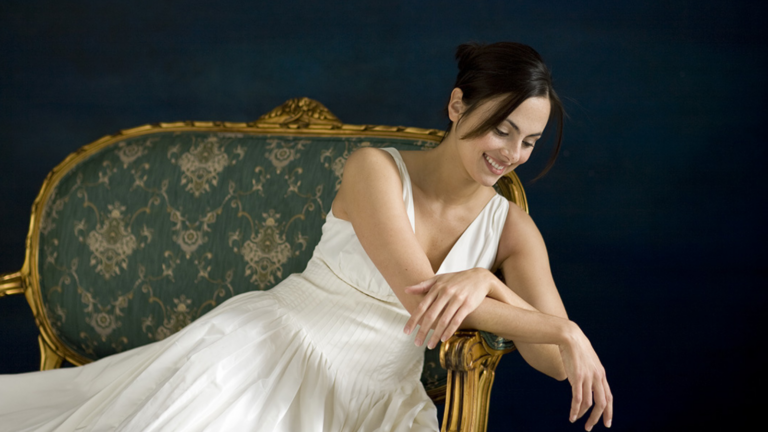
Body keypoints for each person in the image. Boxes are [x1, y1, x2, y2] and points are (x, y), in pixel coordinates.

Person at [0, 41, 612, 432]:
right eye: (500, 130)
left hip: (376, 394)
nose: (511, 154)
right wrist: (563, 325)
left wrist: (490, 284)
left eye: (528, 142)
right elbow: (424, 302)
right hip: (270, 351)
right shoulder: (374, 168)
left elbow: (553, 366)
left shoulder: (512, 230)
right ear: (457, 106)